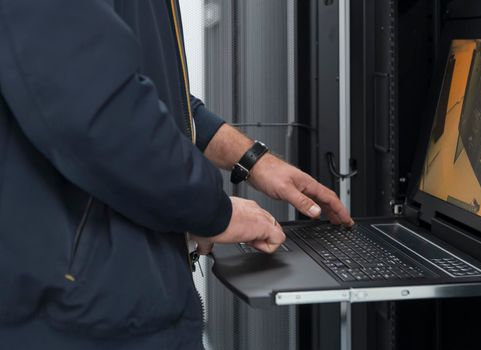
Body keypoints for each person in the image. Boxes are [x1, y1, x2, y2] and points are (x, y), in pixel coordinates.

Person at [0, 0, 353, 349]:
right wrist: (213, 211)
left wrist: (253, 159)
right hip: (77, 311)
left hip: (107, 295)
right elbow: (97, 110)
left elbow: (140, 87)